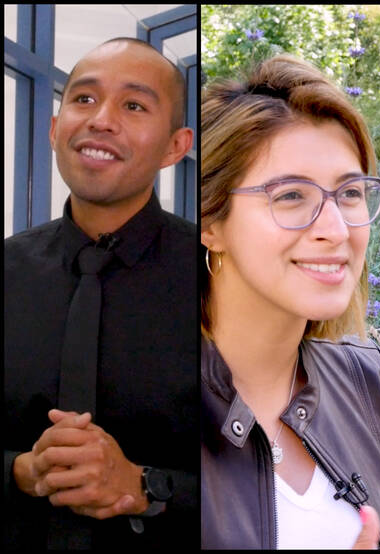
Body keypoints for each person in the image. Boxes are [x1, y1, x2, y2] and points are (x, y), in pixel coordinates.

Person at [4, 38, 197, 549]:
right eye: (83, 99)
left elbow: (263, 478)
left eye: (133, 105)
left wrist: (144, 486)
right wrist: (23, 470)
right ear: (53, 127)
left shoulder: (219, 276)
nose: (101, 120)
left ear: (176, 147)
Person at [199, 54, 380, 549]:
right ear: (210, 223)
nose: (335, 230)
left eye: (350, 193)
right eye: (290, 196)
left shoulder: (375, 384)